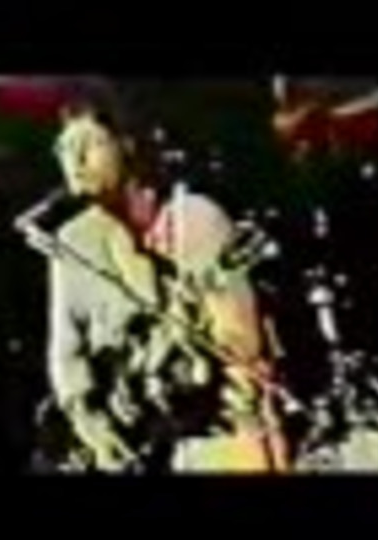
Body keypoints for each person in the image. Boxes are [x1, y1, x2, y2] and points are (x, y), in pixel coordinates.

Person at [23, 82, 290, 473]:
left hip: (213, 429)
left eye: (89, 143)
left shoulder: (195, 218)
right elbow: (66, 353)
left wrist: (197, 368)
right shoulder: (72, 242)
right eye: (64, 148)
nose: (74, 160)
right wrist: (89, 421)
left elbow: (240, 342)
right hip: (133, 439)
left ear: (127, 144)